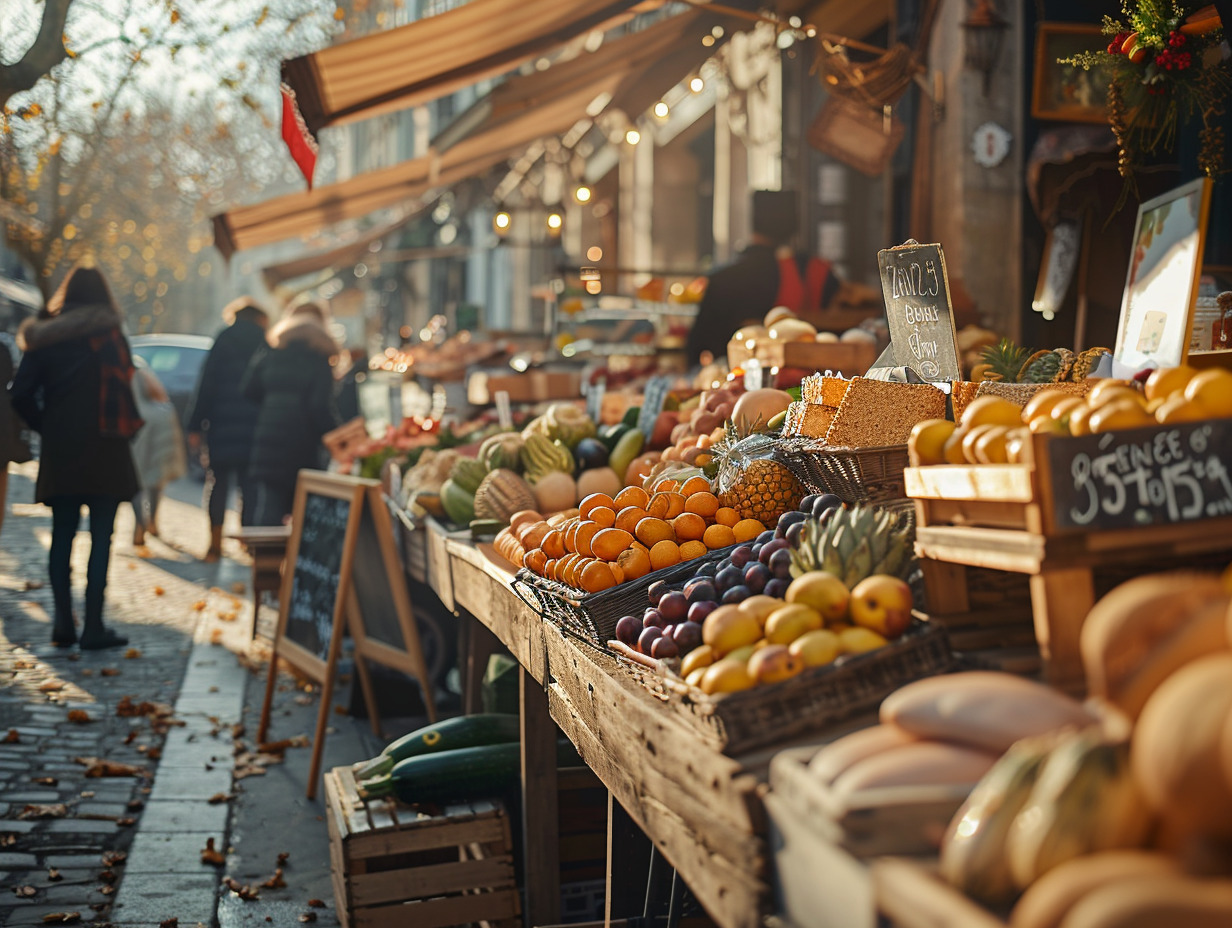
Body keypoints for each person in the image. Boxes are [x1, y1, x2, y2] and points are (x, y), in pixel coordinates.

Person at [9, 263, 142, 649]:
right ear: (103, 295)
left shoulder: (45, 337)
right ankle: (95, 627)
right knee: (102, 539)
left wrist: (47, 426)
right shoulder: (111, 334)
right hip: (107, 448)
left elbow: (19, 394)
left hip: (61, 449)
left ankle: (63, 624)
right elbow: (127, 382)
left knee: (62, 535)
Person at [685, 189, 840, 365]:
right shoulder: (815, 272)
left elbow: (696, 346)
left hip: (735, 374)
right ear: (794, 224)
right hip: (809, 372)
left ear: (753, 221)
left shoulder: (723, 279)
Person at [184, 297, 269, 558]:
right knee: (250, 487)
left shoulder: (223, 339)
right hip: (255, 427)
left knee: (218, 484)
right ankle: (249, 541)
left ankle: (215, 543)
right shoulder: (265, 341)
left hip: (221, 426)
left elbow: (205, 385)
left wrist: (195, 425)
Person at [242, 302, 340, 525]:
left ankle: (264, 558)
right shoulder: (318, 359)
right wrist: (338, 437)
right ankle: (295, 557)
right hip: (301, 443)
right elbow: (320, 407)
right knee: (303, 511)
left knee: (270, 506)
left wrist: (272, 406)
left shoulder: (272, 352)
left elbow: (248, 389)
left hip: (269, 439)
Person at [129, 361, 186, 546]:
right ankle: (152, 522)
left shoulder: (118, 366)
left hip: (133, 421)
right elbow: (160, 394)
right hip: (155, 420)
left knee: (136, 478)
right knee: (156, 475)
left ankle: (140, 521)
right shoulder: (139, 366)